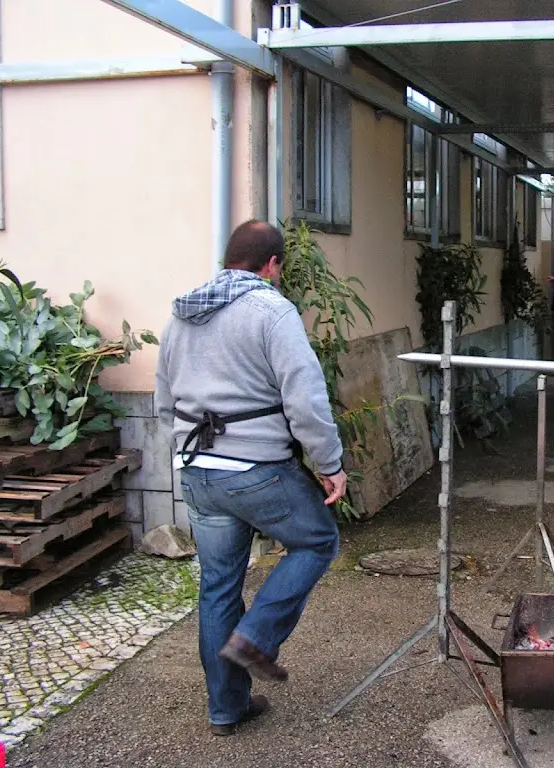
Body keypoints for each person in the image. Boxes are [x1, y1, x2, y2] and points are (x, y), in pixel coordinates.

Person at [155, 219, 347, 736]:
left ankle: (226, 710)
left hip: (198, 472)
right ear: (272, 264)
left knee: (218, 588)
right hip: (257, 472)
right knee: (317, 541)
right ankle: (257, 637)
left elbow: (162, 402)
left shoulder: (181, 313)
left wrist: (190, 451)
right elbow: (304, 397)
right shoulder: (272, 310)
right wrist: (329, 464)